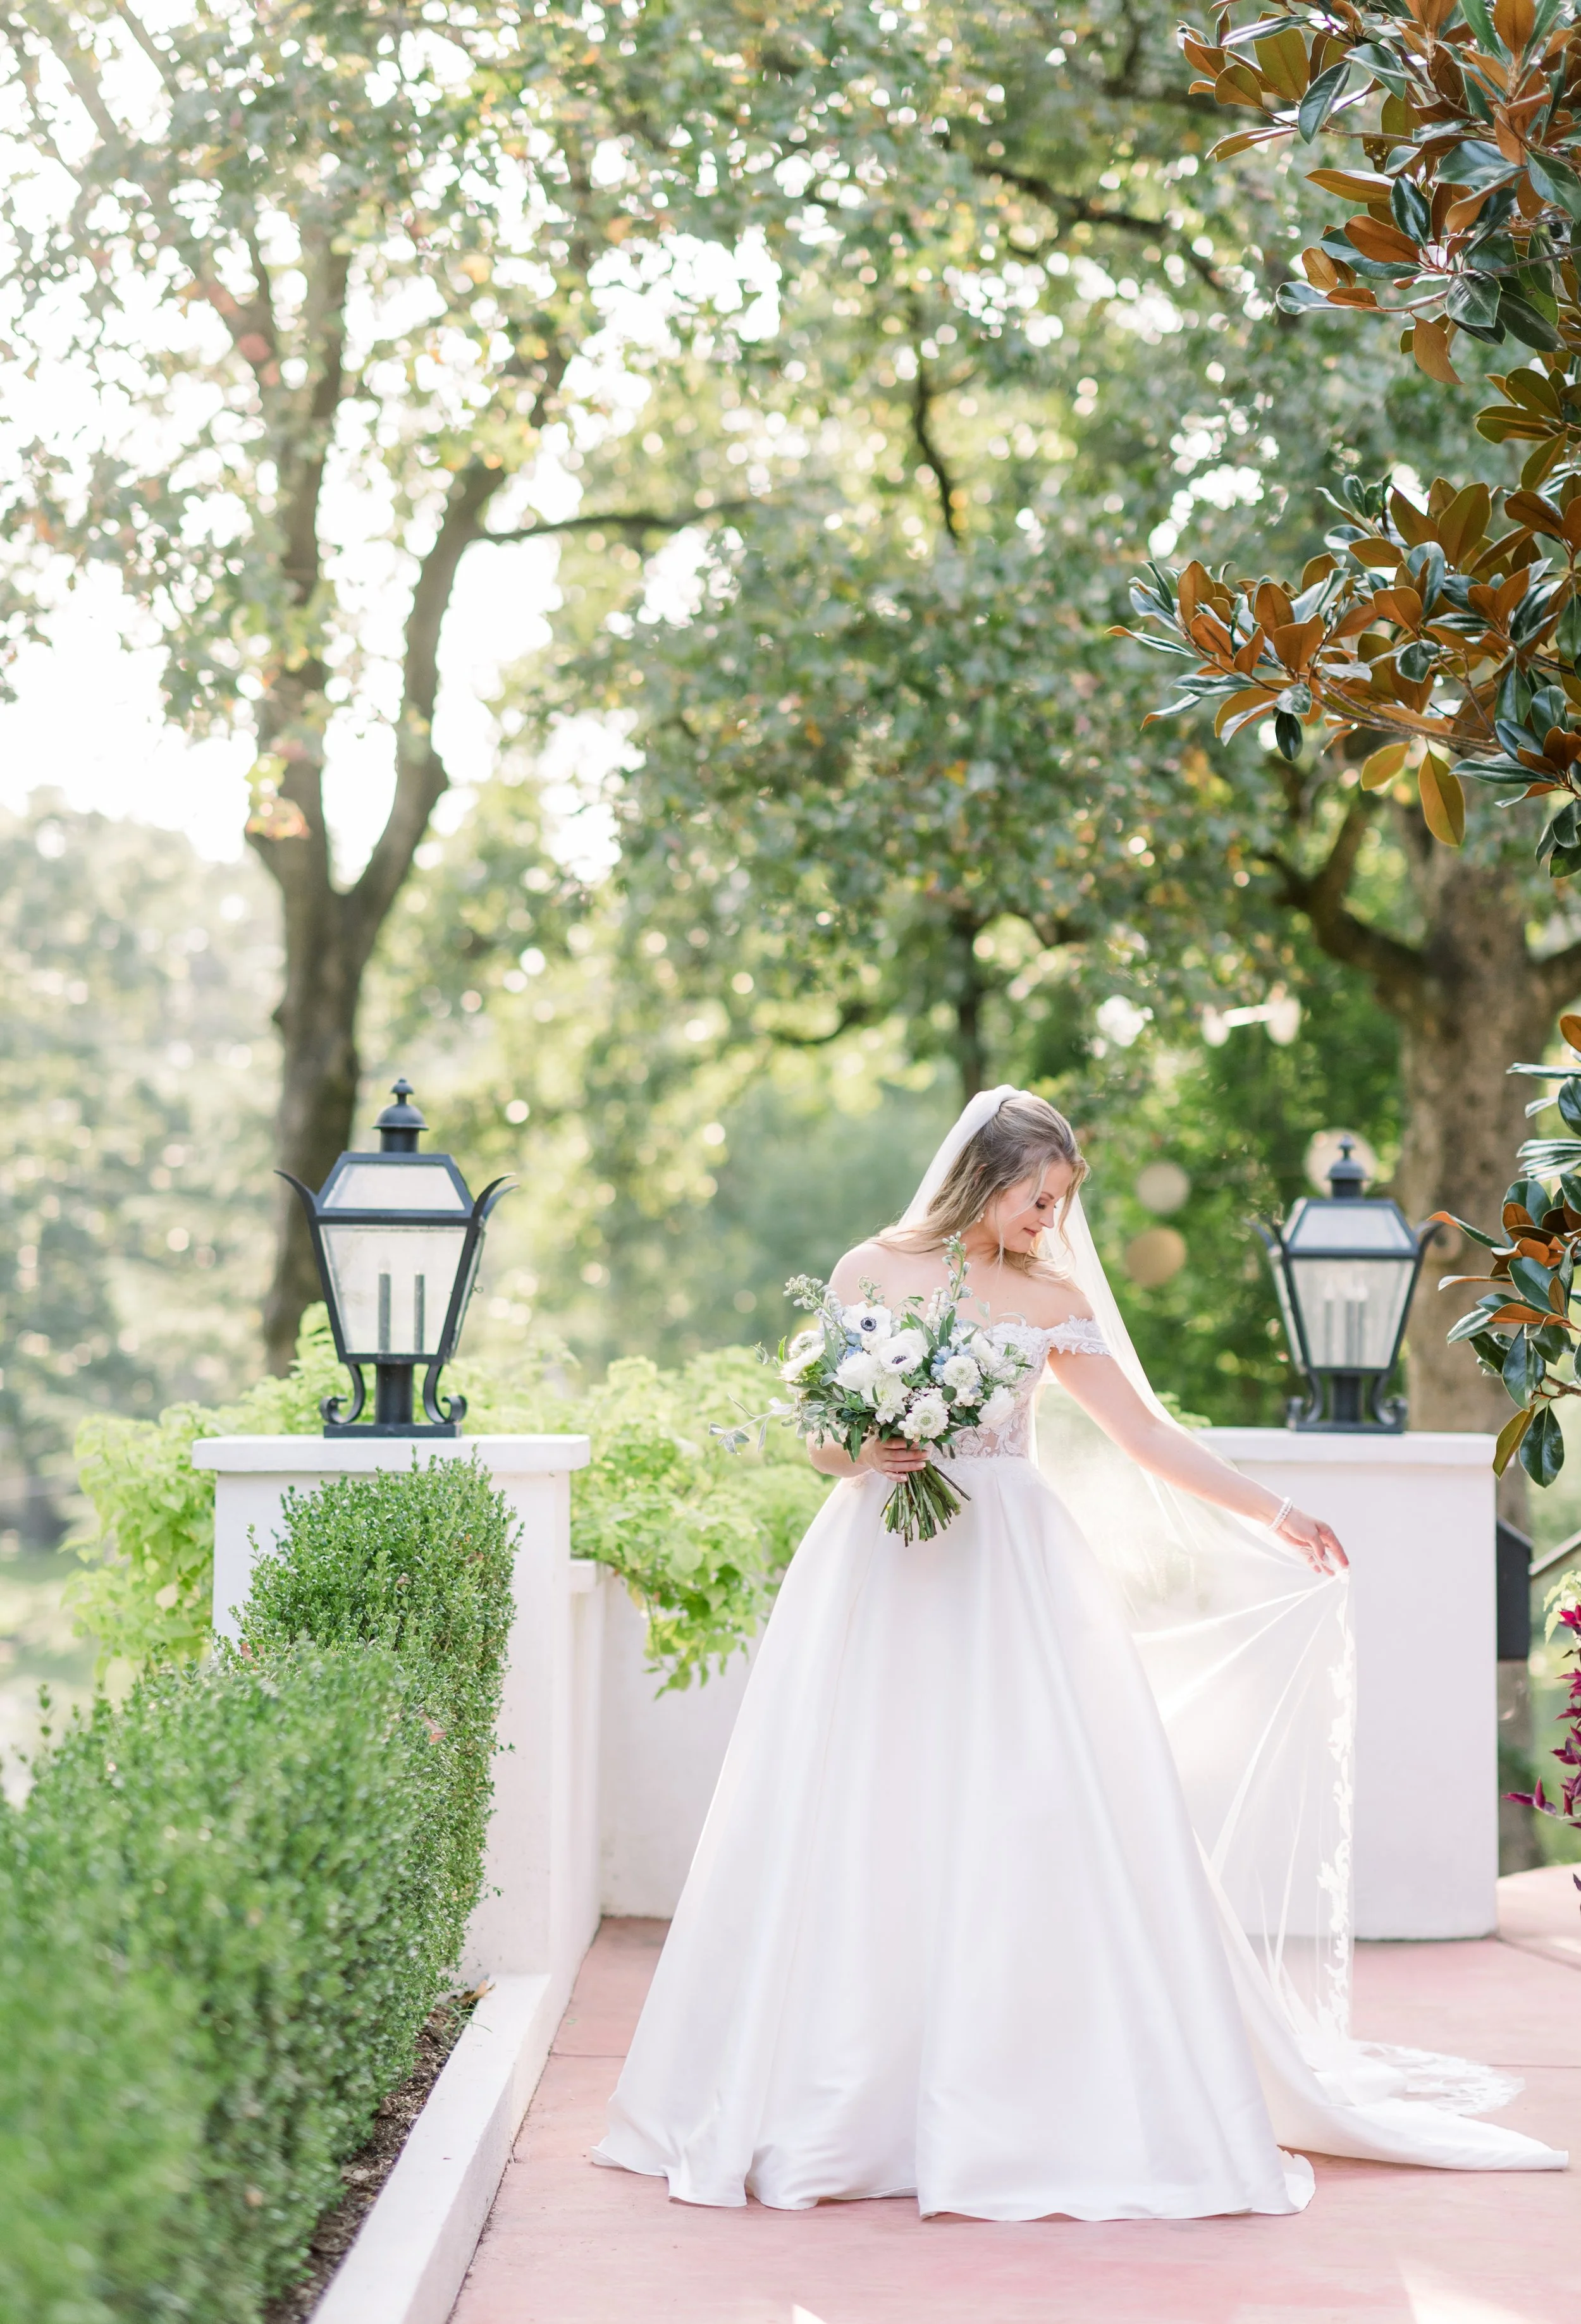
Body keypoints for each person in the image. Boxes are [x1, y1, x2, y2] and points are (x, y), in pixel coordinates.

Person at [594, 1088, 1565, 2220]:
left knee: (1034, 1801)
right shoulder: (869, 1271)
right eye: (1035, 1195)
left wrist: (1276, 1511)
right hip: (880, 1567)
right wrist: (875, 1442)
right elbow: (820, 1441)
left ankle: (1027, 2088)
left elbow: (1144, 1434)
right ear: (979, 1177)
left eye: (1062, 1201)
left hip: (1011, 1567)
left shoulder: (1054, 1297)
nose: (1050, 1218)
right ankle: (834, 2092)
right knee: (858, 1800)